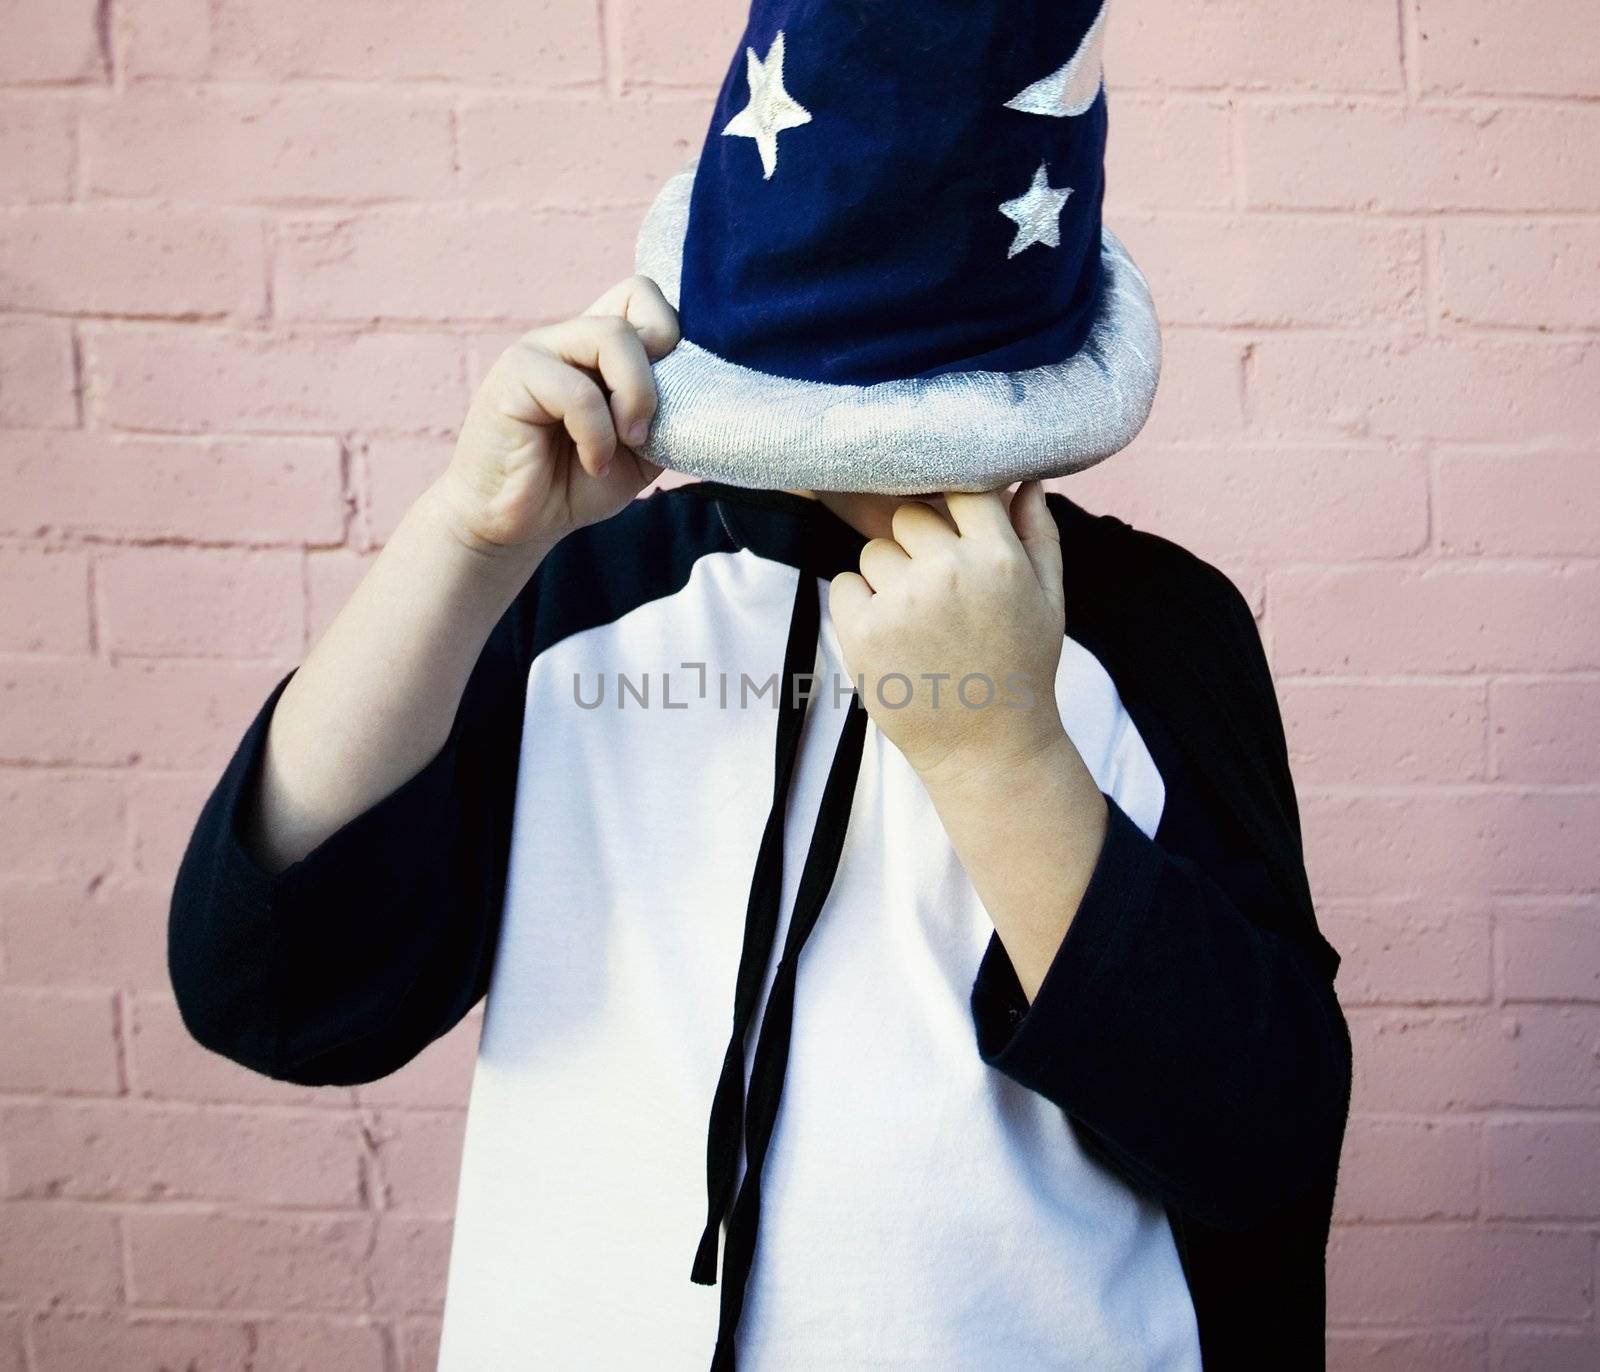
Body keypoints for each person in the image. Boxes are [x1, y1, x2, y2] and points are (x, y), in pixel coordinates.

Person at [168, 3, 1352, 1367]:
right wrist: (463, 542)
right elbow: (267, 989)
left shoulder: (1157, 638)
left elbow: (1265, 1150)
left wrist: (1003, 758)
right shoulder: (580, 600)